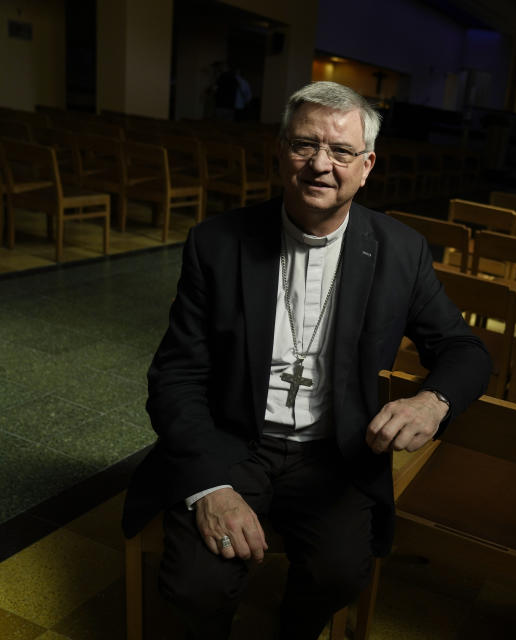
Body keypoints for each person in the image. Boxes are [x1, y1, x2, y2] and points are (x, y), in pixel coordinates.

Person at [121, 80, 492, 639]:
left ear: (367, 166)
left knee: (340, 572)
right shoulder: (218, 242)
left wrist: (432, 401)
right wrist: (209, 488)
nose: (321, 164)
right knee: (196, 587)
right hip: (233, 442)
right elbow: (176, 375)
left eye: (341, 152)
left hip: (336, 452)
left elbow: (465, 350)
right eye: (304, 145)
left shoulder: (400, 251)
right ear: (281, 152)